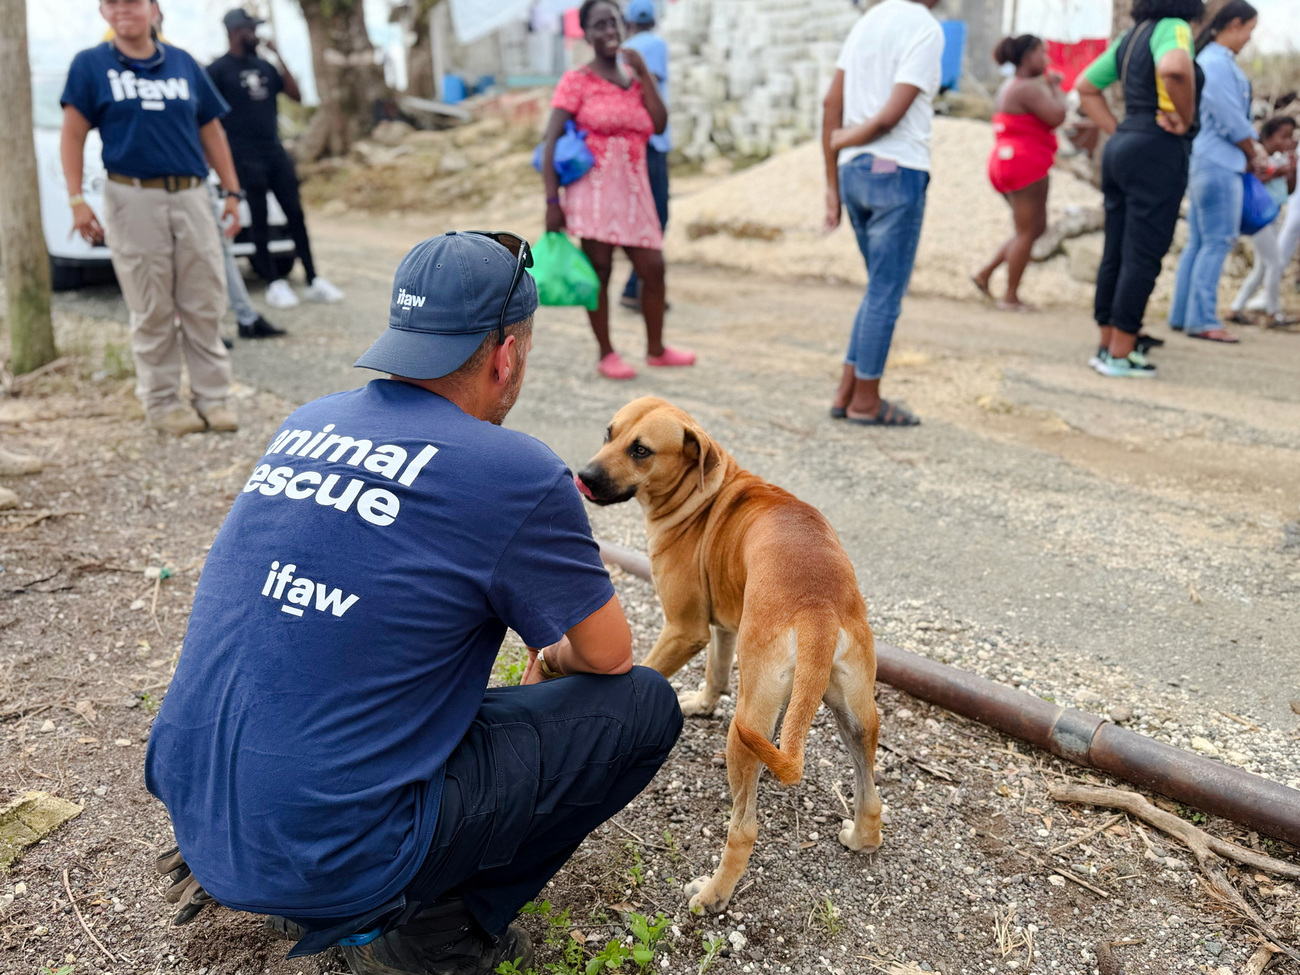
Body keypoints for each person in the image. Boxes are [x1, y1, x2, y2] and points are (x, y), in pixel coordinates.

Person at [144, 231, 683, 975]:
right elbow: (609, 656)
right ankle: (428, 928)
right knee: (645, 705)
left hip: (204, 800)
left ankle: (268, 837)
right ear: (508, 356)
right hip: (329, 852)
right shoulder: (516, 471)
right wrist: (549, 647)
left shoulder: (306, 421)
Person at [62, 0, 242, 435]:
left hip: (191, 194)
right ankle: (162, 403)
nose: (124, 10)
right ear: (103, 11)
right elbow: (72, 133)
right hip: (131, 196)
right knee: (151, 304)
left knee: (204, 298)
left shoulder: (182, 63)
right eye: (113, 3)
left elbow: (211, 131)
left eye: (134, 2)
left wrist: (232, 191)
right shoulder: (91, 64)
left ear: (154, 9)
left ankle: (213, 397)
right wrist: (76, 200)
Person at [541, 0, 694, 380]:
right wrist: (551, 201)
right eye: (600, 25)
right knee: (601, 272)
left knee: (653, 267)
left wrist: (644, 73)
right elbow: (550, 140)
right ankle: (606, 352)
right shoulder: (577, 80)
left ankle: (656, 350)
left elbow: (658, 124)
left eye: (614, 22)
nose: (609, 30)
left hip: (635, 192)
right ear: (588, 33)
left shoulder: (635, 76)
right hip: (592, 193)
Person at [822, 0, 945, 425]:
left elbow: (830, 102)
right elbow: (891, 116)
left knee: (877, 288)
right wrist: (846, 139)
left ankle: (846, 391)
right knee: (886, 293)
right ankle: (866, 402)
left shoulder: (868, 21)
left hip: (854, 175)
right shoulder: (926, 28)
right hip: (897, 171)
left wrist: (832, 179)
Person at [1077, 0, 1204, 378]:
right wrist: (1185, 118)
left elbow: (1085, 87)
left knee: (1115, 248)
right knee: (1144, 252)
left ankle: (1107, 341)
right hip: (1157, 149)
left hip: (1122, 146)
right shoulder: (1173, 27)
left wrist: (1121, 132)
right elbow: (1174, 68)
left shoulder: (1130, 37)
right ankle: (1121, 353)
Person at [207, 8, 345, 311]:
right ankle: (273, 282)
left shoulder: (266, 67)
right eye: (251, 29)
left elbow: (295, 95)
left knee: (295, 213)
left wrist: (279, 55)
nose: (256, 34)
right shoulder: (218, 70)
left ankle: (312, 278)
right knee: (258, 217)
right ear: (235, 31)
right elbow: (206, 118)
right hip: (244, 155)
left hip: (275, 151)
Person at [1167, 0, 1267, 344]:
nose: (1248, 39)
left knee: (1198, 241)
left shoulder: (1207, 59)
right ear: (1234, 24)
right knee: (1217, 240)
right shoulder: (1217, 63)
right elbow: (1230, 118)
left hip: (1204, 160)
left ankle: (1183, 313)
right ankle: (1203, 318)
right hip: (1220, 163)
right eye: (1249, 31)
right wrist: (1254, 151)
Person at [971, 35, 1068, 312]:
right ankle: (1010, 296)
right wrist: (1055, 88)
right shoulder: (1028, 89)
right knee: (1027, 231)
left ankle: (986, 273)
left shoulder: (1009, 86)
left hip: (1007, 161)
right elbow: (1056, 116)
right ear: (1027, 57)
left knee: (1033, 228)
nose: (1047, 59)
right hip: (1026, 163)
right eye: (1042, 53)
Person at [617, 0, 671, 314]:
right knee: (658, 217)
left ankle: (637, 287)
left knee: (642, 216)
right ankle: (637, 288)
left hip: (634, 143)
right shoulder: (657, 46)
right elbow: (654, 88)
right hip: (653, 142)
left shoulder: (625, 49)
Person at [1229, 116, 1298, 327]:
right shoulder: (1257, 156)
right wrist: (1278, 172)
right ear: (1268, 135)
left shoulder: (1280, 159)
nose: (1287, 142)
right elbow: (1254, 180)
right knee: (1275, 263)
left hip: (1273, 216)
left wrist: (1291, 170)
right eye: (1283, 137)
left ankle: (1236, 308)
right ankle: (1273, 313)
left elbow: (1290, 190)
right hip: (1259, 218)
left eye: (1290, 137)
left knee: (1262, 267)